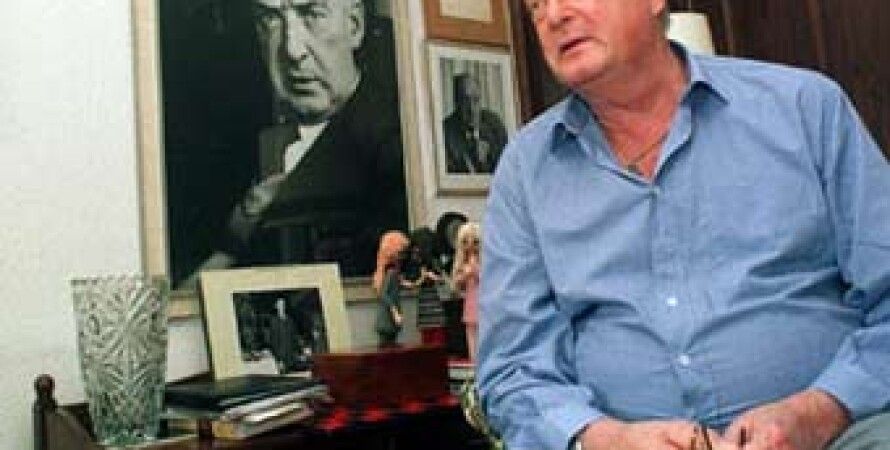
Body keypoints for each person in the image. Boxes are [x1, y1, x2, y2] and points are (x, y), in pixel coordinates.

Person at [476, 1, 890, 450]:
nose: (554, 16)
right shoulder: (526, 170)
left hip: (842, 433)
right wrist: (611, 440)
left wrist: (820, 411)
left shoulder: (804, 108)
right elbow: (514, 370)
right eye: (536, 4)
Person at [181, 0, 408, 285]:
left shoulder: (393, 144)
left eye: (312, 14)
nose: (292, 50)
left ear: (354, 26)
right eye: (271, 19)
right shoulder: (238, 147)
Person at [442, 73, 508, 174]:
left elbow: (507, 170)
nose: (472, 109)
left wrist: (487, 160)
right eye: (465, 101)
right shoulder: (445, 132)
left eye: (476, 100)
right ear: (456, 102)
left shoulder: (495, 126)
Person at [372, 231, 410, 347]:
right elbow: (383, 294)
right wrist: (395, 312)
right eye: (401, 253)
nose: (403, 256)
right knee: (388, 347)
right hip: (387, 319)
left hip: (389, 319)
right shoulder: (390, 273)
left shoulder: (392, 273)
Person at [452, 222, 481, 362]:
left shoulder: (486, 260)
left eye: (475, 242)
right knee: (471, 333)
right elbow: (456, 283)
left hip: (486, 302)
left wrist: (476, 271)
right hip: (471, 301)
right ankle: (475, 361)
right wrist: (465, 275)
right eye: (465, 242)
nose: (470, 245)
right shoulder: (462, 262)